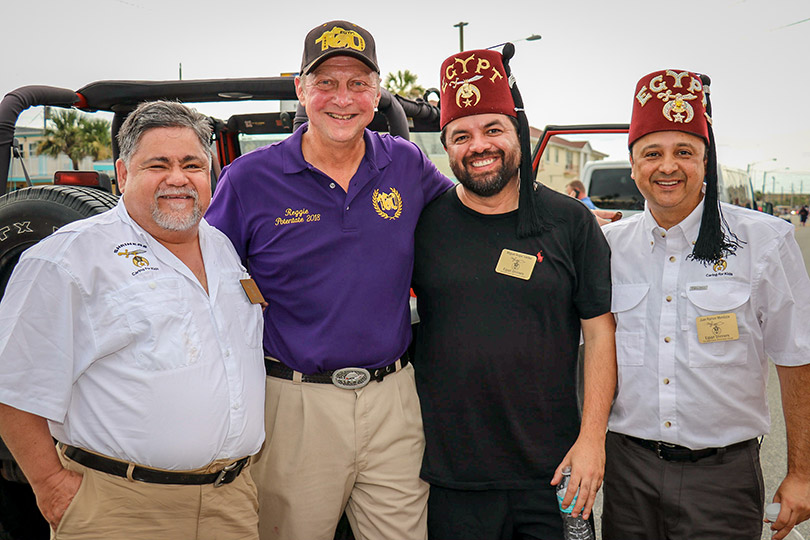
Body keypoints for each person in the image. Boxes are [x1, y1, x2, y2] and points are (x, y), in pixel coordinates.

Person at [205, 20, 453, 540]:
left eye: (357, 83)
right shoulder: (249, 180)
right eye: (326, 83)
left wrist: (572, 224)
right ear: (301, 89)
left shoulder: (404, 162)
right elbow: (203, 282)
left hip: (394, 400)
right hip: (296, 404)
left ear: (377, 91)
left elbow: (470, 215)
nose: (343, 98)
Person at [0, 101, 266, 540]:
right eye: (157, 164)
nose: (178, 178)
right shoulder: (67, 257)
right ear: (123, 174)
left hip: (230, 503)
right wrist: (51, 486)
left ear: (211, 173)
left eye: (192, 164)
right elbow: (13, 388)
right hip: (119, 509)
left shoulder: (220, 247)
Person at [411, 46, 616, 539]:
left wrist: (592, 439)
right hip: (452, 478)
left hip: (555, 472)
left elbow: (601, 335)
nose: (478, 145)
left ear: (517, 133)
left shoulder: (570, 222)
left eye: (492, 129)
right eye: (461, 135)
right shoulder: (423, 224)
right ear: (447, 147)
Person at [601, 69, 810, 540]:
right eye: (651, 153)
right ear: (633, 165)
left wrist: (802, 472)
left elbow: (798, 357)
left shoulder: (764, 241)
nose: (667, 166)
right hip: (629, 474)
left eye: (685, 152)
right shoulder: (607, 247)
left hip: (723, 479)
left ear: (706, 161)